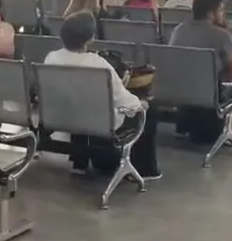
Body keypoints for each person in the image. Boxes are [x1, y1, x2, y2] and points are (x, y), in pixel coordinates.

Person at [43, 12, 160, 179]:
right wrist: (140, 103)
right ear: (90, 38)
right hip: (99, 122)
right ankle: (145, 169)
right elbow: (122, 101)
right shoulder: (98, 63)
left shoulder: (51, 58)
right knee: (150, 110)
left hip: (63, 117)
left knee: (82, 103)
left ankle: (80, 162)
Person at [169, 0, 232, 144]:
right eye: (220, 10)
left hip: (179, 88)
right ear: (210, 13)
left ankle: (182, 125)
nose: (223, 13)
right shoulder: (221, 35)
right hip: (210, 90)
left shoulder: (179, 30)